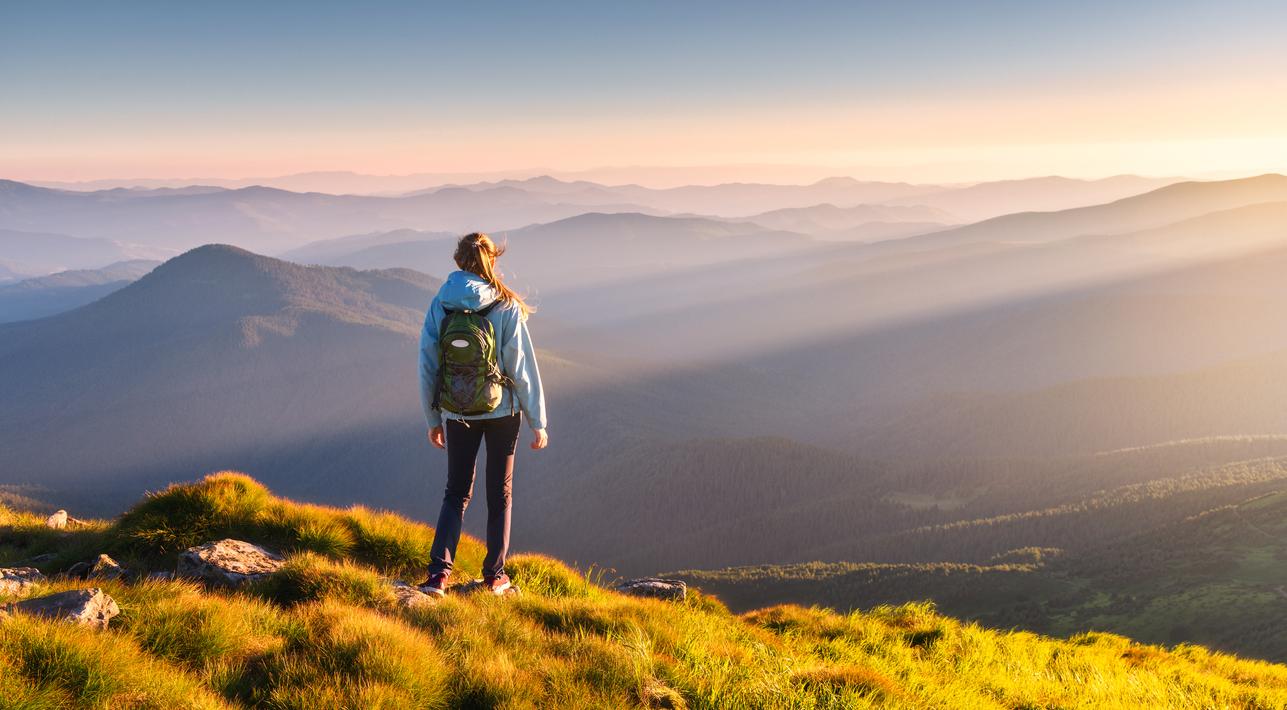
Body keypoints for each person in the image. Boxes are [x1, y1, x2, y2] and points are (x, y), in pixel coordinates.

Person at [417, 233, 548, 597]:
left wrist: (432, 418)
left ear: (458, 261)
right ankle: (494, 576)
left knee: (455, 492)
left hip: (457, 411)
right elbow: (521, 369)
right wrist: (538, 421)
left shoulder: (440, 305)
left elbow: (427, 364)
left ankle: (437, 576)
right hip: (502, 411)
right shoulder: (505, 306)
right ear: (493, 260)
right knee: (499, 494)